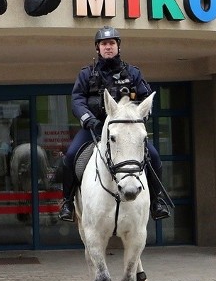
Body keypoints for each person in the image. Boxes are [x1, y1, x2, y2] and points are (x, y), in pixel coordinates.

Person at [57, 27, 171, 222]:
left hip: (126, 129)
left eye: (111, 43)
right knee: (70, 156)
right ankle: (67, 202)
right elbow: (77, 99)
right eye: (104, 44)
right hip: (96, 127)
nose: (108, 47)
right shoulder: (86, 74)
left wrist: (139, 117)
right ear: (97, 49)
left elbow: (145, 98)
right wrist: (87, 119)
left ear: (118, 46)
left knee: (153, 155)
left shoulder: (133, 73)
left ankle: (157, 201)